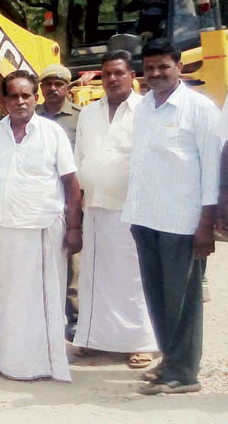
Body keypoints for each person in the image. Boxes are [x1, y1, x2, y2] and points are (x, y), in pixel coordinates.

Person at [123, 40, 220, 395]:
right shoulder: (144, 107)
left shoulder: (200, 109)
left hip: (182, 223)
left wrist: (206, 224)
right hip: (146, 219)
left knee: (183, 299)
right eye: (149, 68)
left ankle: (184, 374)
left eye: (163, 66)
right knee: (158, 297)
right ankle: (170, 359)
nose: (155, 74)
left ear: (179, 65)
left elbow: (210, 170)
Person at [0, 70, 82, 382]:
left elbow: (71, 183)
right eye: (13, 96)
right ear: (3, 99)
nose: (20, 101)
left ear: (35, 98)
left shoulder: (52, 133)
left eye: (26, 95)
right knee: (4, 296)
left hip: (41, 227)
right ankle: (6, 357)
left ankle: (43, 363)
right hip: (1, 227)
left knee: (41, 299)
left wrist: (75, 227)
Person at [72, 51, 157, 368]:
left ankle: (141, 342)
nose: (111, 79)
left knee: (134, 278)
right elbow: (80, 160)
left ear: (132, 76)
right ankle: (97, 339)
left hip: (132, 209)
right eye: (106, 74)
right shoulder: (88, 113)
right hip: (94, 206)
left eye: (118, 73)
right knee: (96, 276)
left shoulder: (146, 110)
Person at [35, 64, 81, 340]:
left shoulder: (81, 118)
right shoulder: (31, 115)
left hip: (71, 198)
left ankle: (74, 318)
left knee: (73, 261)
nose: (53, 89)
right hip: (40, 200)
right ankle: (44, 316)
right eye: (47, 84)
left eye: (58, 84)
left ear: (67, 88)